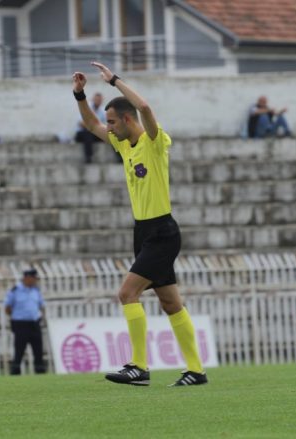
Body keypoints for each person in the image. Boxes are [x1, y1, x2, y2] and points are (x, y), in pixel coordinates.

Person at [72, 62, 207, 386]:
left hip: (162, 230)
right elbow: (91, 125)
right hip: (144, 232)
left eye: (113, 121)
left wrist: (115, 80)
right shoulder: (122, 144)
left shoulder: (154, 141)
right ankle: (196, 371)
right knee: (170, 302)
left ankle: (139, 366)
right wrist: (79, 94)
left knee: (126, 293)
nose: (110, 127)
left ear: (127, 119)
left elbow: (144, 106)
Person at [4, 269, 47, 375]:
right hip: (20, 324)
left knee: (38, 348)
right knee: (19, 349)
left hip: (34, 323)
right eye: (34, 278)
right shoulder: (15, 290)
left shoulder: (36, 290)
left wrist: (41, 317)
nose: (35, 281)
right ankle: (16, 370)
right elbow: (8, 307)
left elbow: (41, 305)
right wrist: (16, 316)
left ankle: (40, 370)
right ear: (27, 278)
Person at [74, 92, 107, 163]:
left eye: (99, 100)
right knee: (87, 134)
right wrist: (94, 127)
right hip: (82, 133)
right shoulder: (86, 107)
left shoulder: (102, 110)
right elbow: (81, 123)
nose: (98, 101)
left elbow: (105, 124)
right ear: (93, 99)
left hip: (94, 133)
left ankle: (120, 157)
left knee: (110, 135)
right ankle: (88, 157)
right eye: (96, 100)